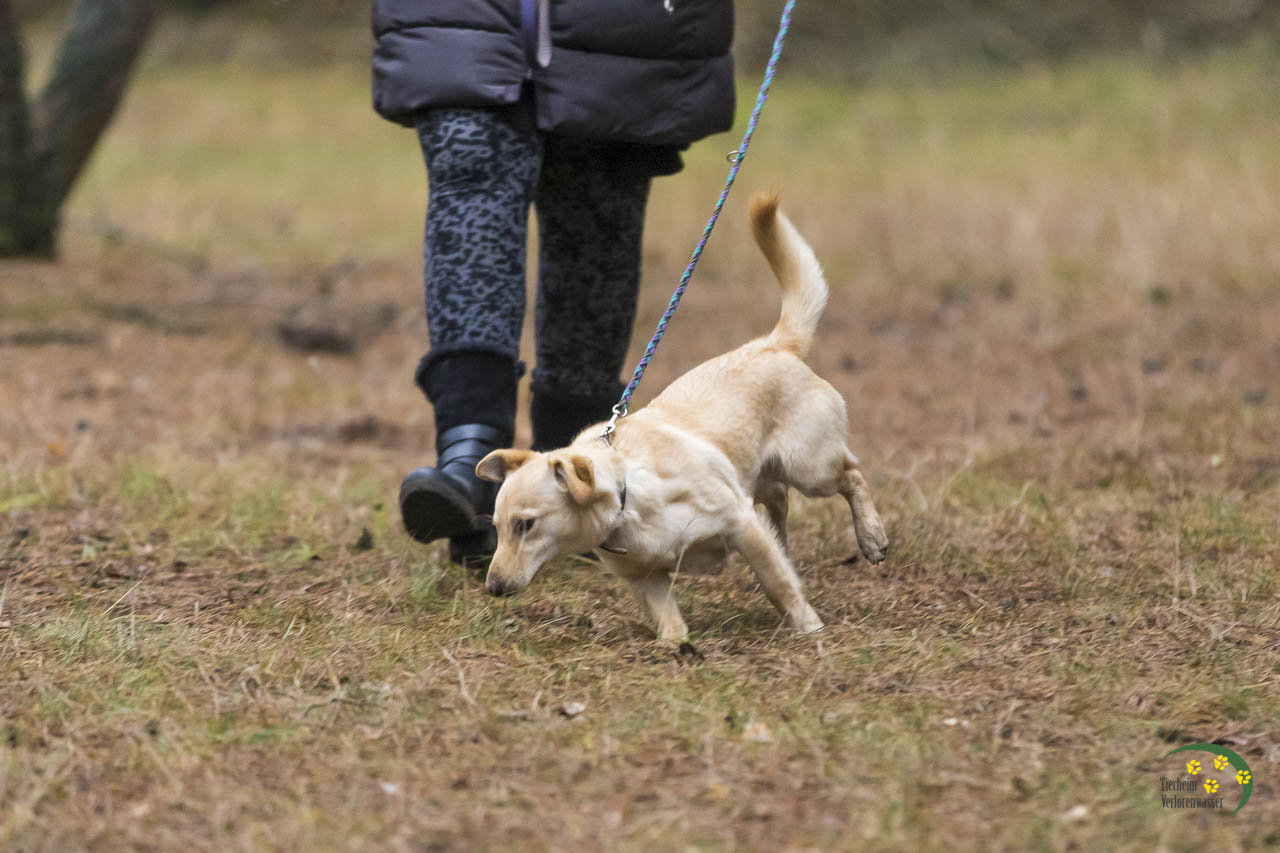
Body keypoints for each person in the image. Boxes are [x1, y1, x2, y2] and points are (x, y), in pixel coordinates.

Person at [372, 0, 736, 568]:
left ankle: (573, 474)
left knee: (596, 210)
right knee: (472, 179)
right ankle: (470, 458)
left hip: (620, 25)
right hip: (465, 19)